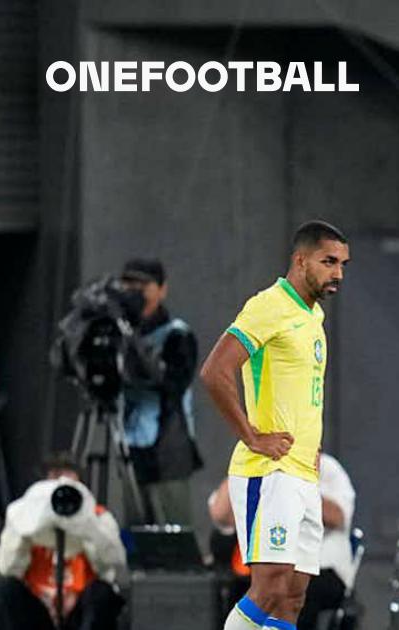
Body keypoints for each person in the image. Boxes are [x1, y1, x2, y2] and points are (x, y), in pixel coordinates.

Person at [200, 220, 350, 630]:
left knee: (293, 597)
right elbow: (215, 371)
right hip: (270, 472)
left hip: (303, 474)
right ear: (300, 261)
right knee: (268, 588)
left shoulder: (313, 315)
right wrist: (252, 436)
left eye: (343, 264)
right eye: (329, 261)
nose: (338, 273)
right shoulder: (269, 306)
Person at [208, 452, 358, 630]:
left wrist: (297, 482)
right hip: (265, 564)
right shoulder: (256, 463)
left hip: (321, 568)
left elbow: (338, 516)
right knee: (239, 590)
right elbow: (221, 515)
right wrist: (243, 469)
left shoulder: (328, 468)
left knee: (295, 593)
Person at [0, 452, 126, 630]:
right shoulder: (24, 515)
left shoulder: (99, 516)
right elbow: (8, 569)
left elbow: (113, 563)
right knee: (5, 589)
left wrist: (88, 525)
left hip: (80, 610)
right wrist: (22, 529)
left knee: (102, 592)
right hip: (38, 609)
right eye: (56, 480)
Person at [120, 258, 203, 525]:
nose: (135, 293)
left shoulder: (177, 335)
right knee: (135, 530)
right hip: (130, 448)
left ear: (162, 289)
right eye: (129, 285)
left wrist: (135, 347)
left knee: (174, 531)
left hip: (168, 449)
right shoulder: (118, 332)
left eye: (143, 285)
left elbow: (173, 383)